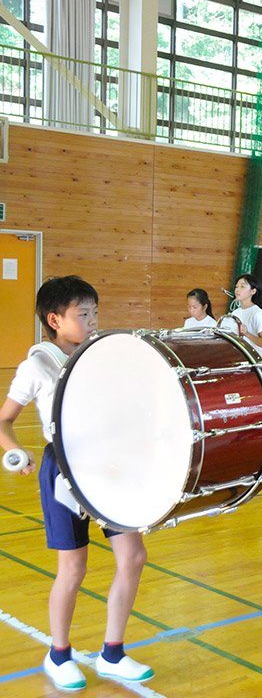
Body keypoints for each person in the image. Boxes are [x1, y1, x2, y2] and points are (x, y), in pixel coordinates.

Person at [0, 276, 153, 691]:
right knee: (73, 568)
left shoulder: (99, 355)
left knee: (133, 556)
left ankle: (112, 653)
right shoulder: (38, 365)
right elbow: (4, 419)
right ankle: (59, 654)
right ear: (55, 319)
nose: (92, 321)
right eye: (82, 314)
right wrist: (15, 450)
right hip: (64, 470)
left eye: (94, 313)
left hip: (108, 467)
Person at [231, 274, 262, 358]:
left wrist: (247, 333)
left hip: (254, 360)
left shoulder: (257, 313)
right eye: (236, 287)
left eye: (242, 286)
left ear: (253, 291)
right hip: (239, 358)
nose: (237, 290)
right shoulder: (235, 313)